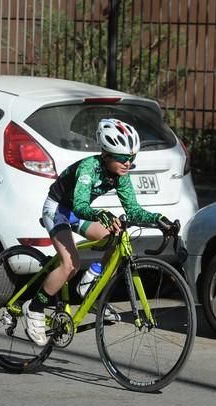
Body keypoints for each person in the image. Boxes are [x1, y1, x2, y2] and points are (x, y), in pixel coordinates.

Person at [22, 118, 176, 346]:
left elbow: (133, 210)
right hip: (58, 209)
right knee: (70, 264)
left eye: (132, 159)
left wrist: (159, 220)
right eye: (123, 158)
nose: (128, 164)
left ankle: (90, 281)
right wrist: (101, 214)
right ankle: (34, 307)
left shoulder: (120, 175)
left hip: (76, 213)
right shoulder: (88, 169)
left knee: (115, 238)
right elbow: (81, 205)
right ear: (107, 155)